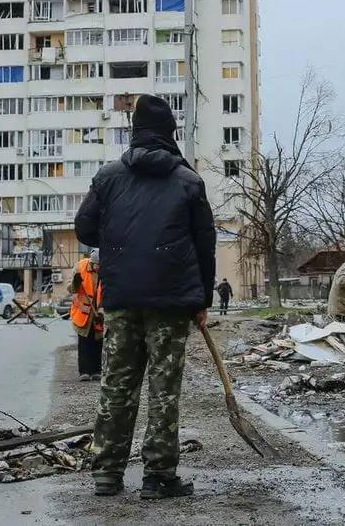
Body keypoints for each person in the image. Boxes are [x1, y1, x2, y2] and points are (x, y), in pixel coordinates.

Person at [76, 94, 216, 500]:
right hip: (171, 301)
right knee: (164, 387)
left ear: (135, 132)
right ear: (171, 133)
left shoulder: (108, 177)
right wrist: (201, 301)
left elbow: (85, 228)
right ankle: (158, 476)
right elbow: (204, 247)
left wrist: (121, 238)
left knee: (117, 385)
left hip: (121, 298)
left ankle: (107, 473)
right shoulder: (188, 180)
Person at [70, 250, 103, 382]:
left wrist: (101, 313)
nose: (98, 267)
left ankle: (96, 371)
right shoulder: (80, 267)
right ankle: (84, 371)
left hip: (98, 313)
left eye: (100, 265)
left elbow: (107, 293)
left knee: (98, 342)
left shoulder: (105, 272)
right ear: (91, 262)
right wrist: (75, 283)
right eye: (96, 265)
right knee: (84, 343)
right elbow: (70, 289)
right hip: (82, 313)